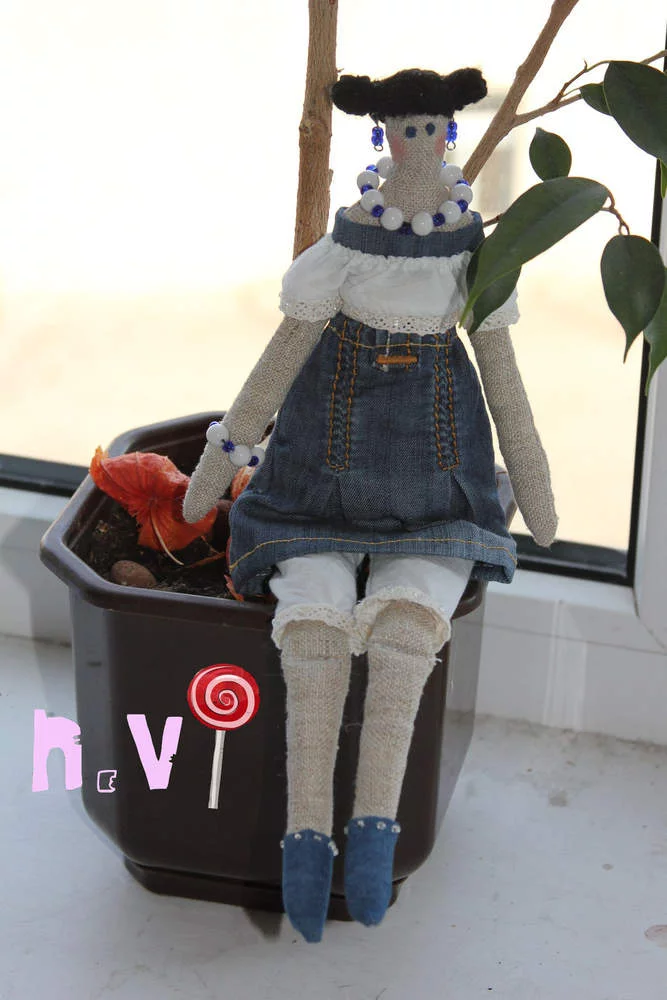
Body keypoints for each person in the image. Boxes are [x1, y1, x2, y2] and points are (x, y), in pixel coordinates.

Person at [183, 67, 557, 943]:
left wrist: (530, 476)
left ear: (446, 133)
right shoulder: (344, 251)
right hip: (312, 483)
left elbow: (502, 380)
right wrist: (221, 460)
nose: (416, 144)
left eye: (428, 130)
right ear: (381, 135)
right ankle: (305, 836)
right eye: (403, 130)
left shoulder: (469, 256)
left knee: (407, 625)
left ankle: (375, 832)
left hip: (435, 491)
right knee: (311, 625)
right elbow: (279, 359)